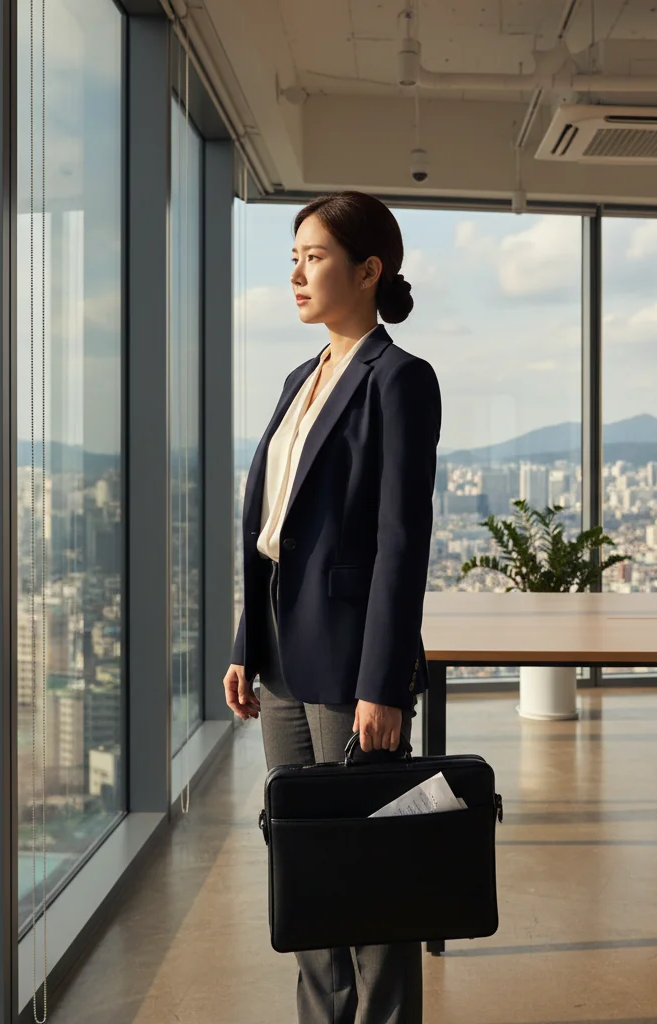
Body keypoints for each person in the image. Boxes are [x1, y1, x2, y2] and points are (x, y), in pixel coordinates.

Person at [223, 190, 441, 1024]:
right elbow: (272, 527)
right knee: (307, 864)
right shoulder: (299, 376)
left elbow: (400, 544)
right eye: (294, 258)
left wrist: (383, 686)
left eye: (313, 257)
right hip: (281, 656)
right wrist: (248, 641)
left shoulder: (399, 380)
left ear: (368, 269)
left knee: (373, 873)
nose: (296, 274)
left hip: (350, 663)